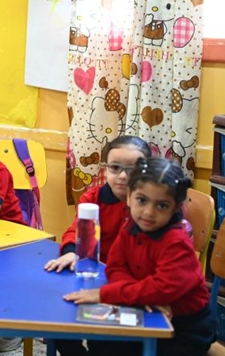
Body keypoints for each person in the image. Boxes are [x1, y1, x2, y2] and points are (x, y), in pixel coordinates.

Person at [64, 157, 217, 356]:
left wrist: (105, 294)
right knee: (102, 346)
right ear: (129, 197)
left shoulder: (177, 241)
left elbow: (162, 288)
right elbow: (116, 268)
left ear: (176, 207)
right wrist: (142, 297)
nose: (148, 212)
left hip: (185, 326)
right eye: (141, 200)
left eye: (162, 205)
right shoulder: (130, 227)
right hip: (146, 308)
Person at [44, 135, 150, 356]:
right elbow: (75, 230)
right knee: (56, 322)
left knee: (110, 343)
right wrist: (72, 252)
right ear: (106, 168)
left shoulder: (151, 205)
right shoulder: (93, 198)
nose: (122, 175)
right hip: (98, 278)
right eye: (115, 167)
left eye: (132, 169)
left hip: (134, 284)